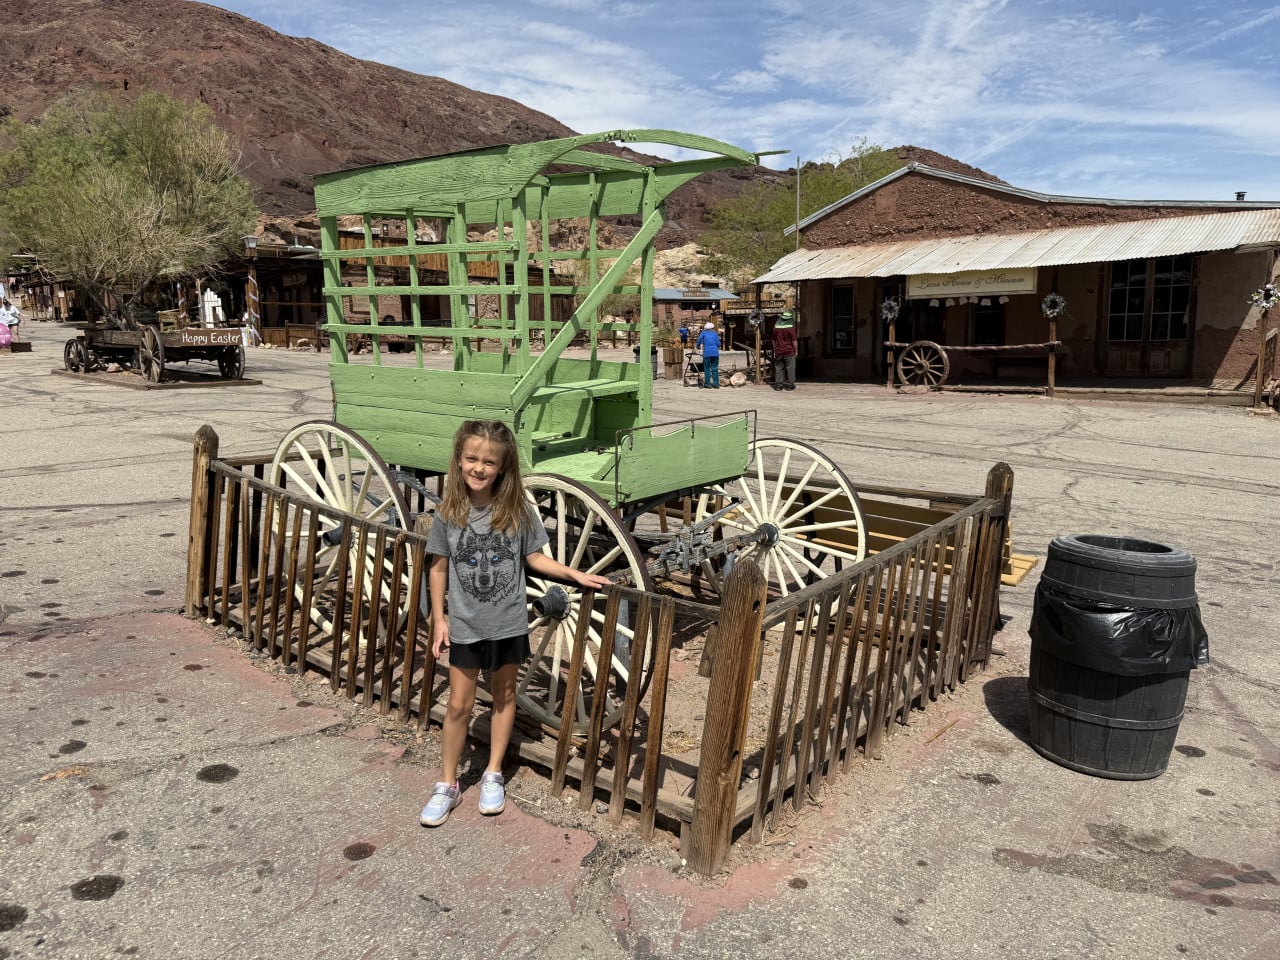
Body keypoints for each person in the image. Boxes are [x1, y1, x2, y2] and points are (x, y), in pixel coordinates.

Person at [420, 420, 612, 827]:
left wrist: (574, 575)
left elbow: (535, 558)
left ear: (503, 467)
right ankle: (448, 783)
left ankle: (492, 773)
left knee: (505, 695)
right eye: (471, 458)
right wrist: (439, 618)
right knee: (459, 704)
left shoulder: (517, 510)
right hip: (467, 624)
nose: (479, 467)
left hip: (508, 622)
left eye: (489, 461)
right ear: (457, 461)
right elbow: (438, 568)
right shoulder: (449, 514)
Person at [772, 310, 798, 391]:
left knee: (778, 368)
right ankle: (790, 385)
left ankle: (779, 385)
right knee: (790, 368)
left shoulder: (775, 328)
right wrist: (796, 350)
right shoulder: (791, 329)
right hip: (789, 351)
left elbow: (773, 340)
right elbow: (794, 341)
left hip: (778, 351)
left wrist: (774, 350)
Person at [695, 319, 720, 388]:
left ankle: (708, 384)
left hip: (707, 353)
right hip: (715, 353)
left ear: (705, 328)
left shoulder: (703, 333)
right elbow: (718, 343)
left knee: (707, 368)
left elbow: (699, 340)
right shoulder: (715, 333)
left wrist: (697, 346)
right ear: (712, 328)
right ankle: (716, 384)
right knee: (715, 369)